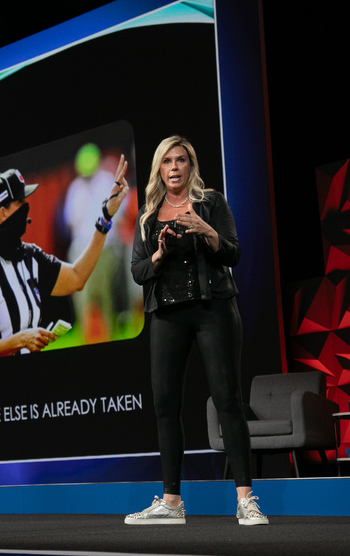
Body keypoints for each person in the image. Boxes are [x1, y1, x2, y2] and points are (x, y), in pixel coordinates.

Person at [125, 135, 268, 526]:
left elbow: (234, 252)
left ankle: (246, 500)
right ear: (159, 169)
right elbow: (138, 272)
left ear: (191, 166)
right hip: (167, 315)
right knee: (165, 406)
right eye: (167, 161)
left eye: (181, 160)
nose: (174, 167)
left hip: (213, 310)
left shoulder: (212, 202)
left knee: (228, 401)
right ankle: (171, 503)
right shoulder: (148, 217)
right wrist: (160, 251)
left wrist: (206, 230)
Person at [0, 158, 129, 360]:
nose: (26, 206)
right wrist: (20, 340)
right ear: (3, 213)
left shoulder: (31, 256)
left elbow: (77, 277)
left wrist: (105, 218)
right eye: (20, 201)